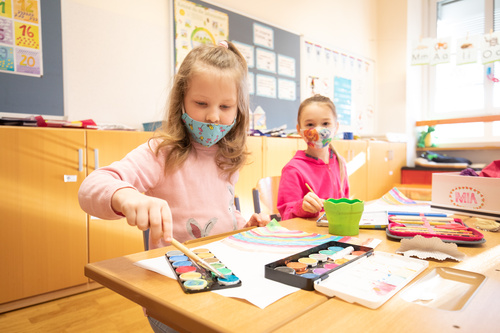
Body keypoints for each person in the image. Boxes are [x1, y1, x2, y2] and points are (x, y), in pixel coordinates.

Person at [78, 40, 269, 333]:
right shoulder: (160, 153)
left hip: (223, 276)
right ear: (181, 100)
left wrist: (244, 224)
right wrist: (126, 197)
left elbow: (220, 211)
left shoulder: (228, 158)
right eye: (201, 104)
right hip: (172, 291)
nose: (213, 117)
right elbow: (92, 186)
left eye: (226, 106)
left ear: (239, 110)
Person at [277, 94, 349, 220]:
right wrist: (302, 207)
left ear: (336, 127)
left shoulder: (340, 163)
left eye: (325, 123)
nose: (318, 130)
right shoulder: (293, 170)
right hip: (308, 237)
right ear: (299, 130)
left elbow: (346, 204)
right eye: (310, 124)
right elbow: (286, 216)